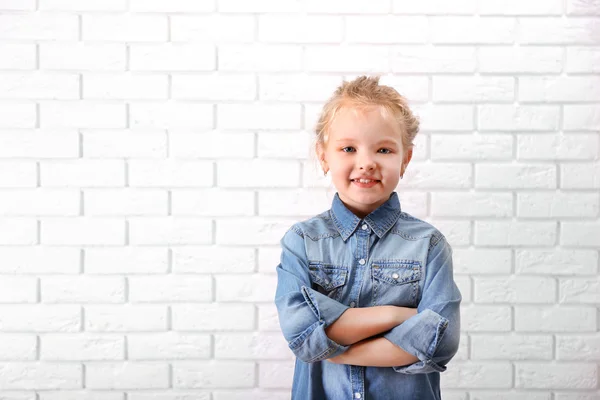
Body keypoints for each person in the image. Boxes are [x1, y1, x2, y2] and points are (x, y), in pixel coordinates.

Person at [274, 76, 462, 400]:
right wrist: (397, 316)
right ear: (323, 156)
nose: (366, 163)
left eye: (384, 149)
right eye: (348, 148)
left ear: (405, 159)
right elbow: (300, 332)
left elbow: (438, 340)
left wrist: (333, 347)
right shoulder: (302, 242)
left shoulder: (429, 245)